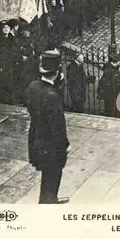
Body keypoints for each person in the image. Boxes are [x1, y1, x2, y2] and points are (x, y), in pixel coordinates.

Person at [24, 50, 70, 204]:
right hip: (51, 146)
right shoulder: (52, 96)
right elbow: (58, 126)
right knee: (52, 177)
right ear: (57, 72)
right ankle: (49, 204)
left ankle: (49, 199)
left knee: (47, 177)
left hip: (37, 139)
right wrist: (65, 145)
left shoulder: (33, 86)